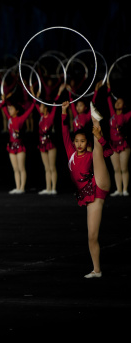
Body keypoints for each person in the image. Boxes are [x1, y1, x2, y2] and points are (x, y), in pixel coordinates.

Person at [61, 101, 113, 278]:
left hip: (99, 184)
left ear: (86, 142)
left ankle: (95, 123)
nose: (79, 144)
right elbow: (64, 133)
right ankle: (96, 270)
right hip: (90, 195)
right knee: (92, 236)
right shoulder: (71, 154)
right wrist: (63, 112)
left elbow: (108, 153)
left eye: (82, 141)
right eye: (77, 141)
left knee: (98, 152)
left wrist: (99, 139)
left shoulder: (90, 154)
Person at [2, 94, 35, 194]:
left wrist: (34, 99)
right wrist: (4, 99)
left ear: (17, 111)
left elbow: (30, 110)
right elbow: (3, 107)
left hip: (20, 145)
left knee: (21, 168)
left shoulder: (20, 119)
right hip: (11, 146)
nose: (9, 110)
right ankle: (17, 187)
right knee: (15, 169)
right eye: (10, 109)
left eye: (11, 109)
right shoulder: (9, 118)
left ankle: (22, 187)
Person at [106, 83, 131, 196]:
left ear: (124, 105)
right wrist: (108, 87)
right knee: (116, 169)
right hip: (113, 144)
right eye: (117, 101)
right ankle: (118, 190)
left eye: (120, 102)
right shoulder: (112, 113)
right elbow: (108, 99)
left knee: (124, 168)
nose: (117, 103)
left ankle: (125, 189)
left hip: (123, 144)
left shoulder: (126, 116)